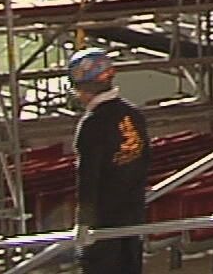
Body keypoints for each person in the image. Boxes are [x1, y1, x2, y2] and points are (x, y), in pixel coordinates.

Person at [69, 49, 149, 274]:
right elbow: (144, 162)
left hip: (104, 224)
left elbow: (88, 178)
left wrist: (83, 223)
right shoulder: (133, 114)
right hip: (133, 216)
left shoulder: (92, 124)